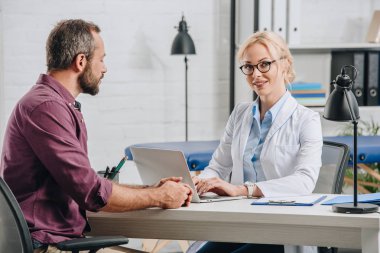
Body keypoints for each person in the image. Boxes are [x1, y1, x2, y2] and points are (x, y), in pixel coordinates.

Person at [0, 19, 193, 253]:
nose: (105, 68)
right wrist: (159, 197)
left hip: (57, 241)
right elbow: (91, 192)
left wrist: (150, 189)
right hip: (47, 245)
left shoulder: (54, 104)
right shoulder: (46, 107)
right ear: (81, 61)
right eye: (101, 59)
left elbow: (86, 184)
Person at [192, 31, 323, 253]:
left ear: (284, 65)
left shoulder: (306, 120)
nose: (256, 75)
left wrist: (243, 189)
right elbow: (219, 166)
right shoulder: (240, 113)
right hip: (242, 223)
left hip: (282, 229)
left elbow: (304, 181)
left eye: (264, 64)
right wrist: (197, 185)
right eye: (249, 67)